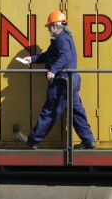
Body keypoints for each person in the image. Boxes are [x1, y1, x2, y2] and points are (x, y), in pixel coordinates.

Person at [16, 10, 96, 150]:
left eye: (49, 27)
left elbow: (65, 57)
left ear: (55, 26)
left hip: (62, 82)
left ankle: (33, 140)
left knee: (50, 110)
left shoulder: (61, 39)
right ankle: (88, 140)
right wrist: (32, 59)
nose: (48, 30)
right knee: (76, 112)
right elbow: (48, 55)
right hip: (71, 81)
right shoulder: (62, 39)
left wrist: (53, 70)